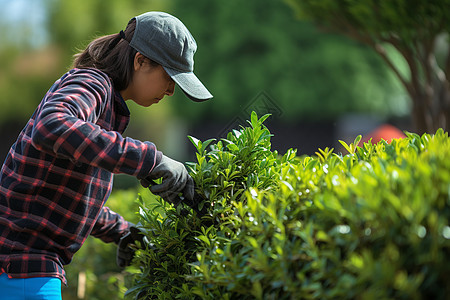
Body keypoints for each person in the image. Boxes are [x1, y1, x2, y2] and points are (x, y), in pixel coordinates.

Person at [0, 11, 212, 299]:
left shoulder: (109, 108)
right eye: (170, 76)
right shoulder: (92, 83)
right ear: (140, 61)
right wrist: (152, 160)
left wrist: (121, 231)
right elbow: (52, 125)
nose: (172, 89)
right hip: (21, 263)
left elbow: (61, 195)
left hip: (24, 263)